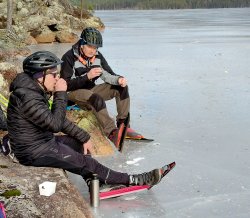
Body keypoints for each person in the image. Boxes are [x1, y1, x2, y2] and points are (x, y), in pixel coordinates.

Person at [6, 51, 165, 189]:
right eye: (54, 74)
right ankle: (132, 180)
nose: (58, 78)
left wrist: (84, 136)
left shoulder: (32, 91)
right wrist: (61, 93)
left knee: (79, 144)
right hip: (33, 152)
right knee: (86, 162)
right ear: (39, 76)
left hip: (41, 142)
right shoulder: (27, 97)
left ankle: (96, 181)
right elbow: (55, 124)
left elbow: (53, 120)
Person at [60, 27, 138, 149]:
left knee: (121, 88)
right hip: (72, 94)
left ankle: (123, 126)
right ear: (82, 43)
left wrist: (119, 79)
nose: (93, 50)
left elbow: (109, 73)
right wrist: (87, 77)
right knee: (95, 98)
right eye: (90, 47)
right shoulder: (68, 57)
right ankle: (112, 133)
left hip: (90, 91)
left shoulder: (97, 56)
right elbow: (65, 85)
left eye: (96, 47)